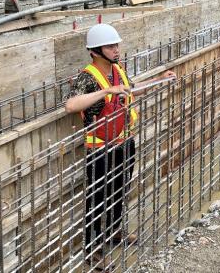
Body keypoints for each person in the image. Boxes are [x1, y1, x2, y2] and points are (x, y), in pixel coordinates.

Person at [65, 23, 176, 269]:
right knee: (97, 197)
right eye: (110, 46)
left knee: (120, 189)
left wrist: (159, 79)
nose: (116, 50)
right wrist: (106, 90)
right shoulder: (88, 76)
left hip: (125, 142)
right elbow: (71, 105)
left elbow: (131, 89)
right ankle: (92, 248)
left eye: (117, 45)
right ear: (95, 51)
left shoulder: (118, 70)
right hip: (100, 149)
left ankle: (115, 231)